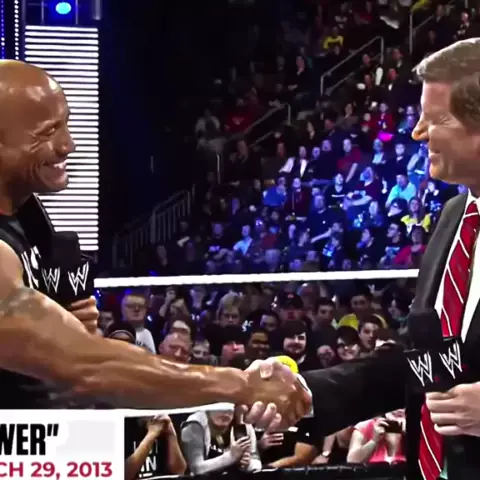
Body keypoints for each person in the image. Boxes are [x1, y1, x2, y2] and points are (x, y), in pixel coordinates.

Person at [0, 60, 311, 426]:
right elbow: (86, 365)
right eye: (47, 132)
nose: (68, 145)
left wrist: (56, 320)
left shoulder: (25, 211)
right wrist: (241, 384)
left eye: (65, 125)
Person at [258, 39, 480, 480]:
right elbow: (421, 360)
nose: (418, 133)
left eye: (437, 119)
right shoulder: (456, 217)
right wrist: (304, 391)